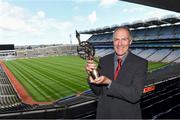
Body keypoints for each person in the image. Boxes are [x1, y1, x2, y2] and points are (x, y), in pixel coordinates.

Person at [86, 26, 148, 119]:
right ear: (113, 42)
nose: (119, 44)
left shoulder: (140, 63)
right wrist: (92, 75)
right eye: (116, 39)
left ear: (130, 41)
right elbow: (98, 92)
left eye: (124, 39)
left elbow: (135, 95)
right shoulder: (104, 60)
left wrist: (109, 83)